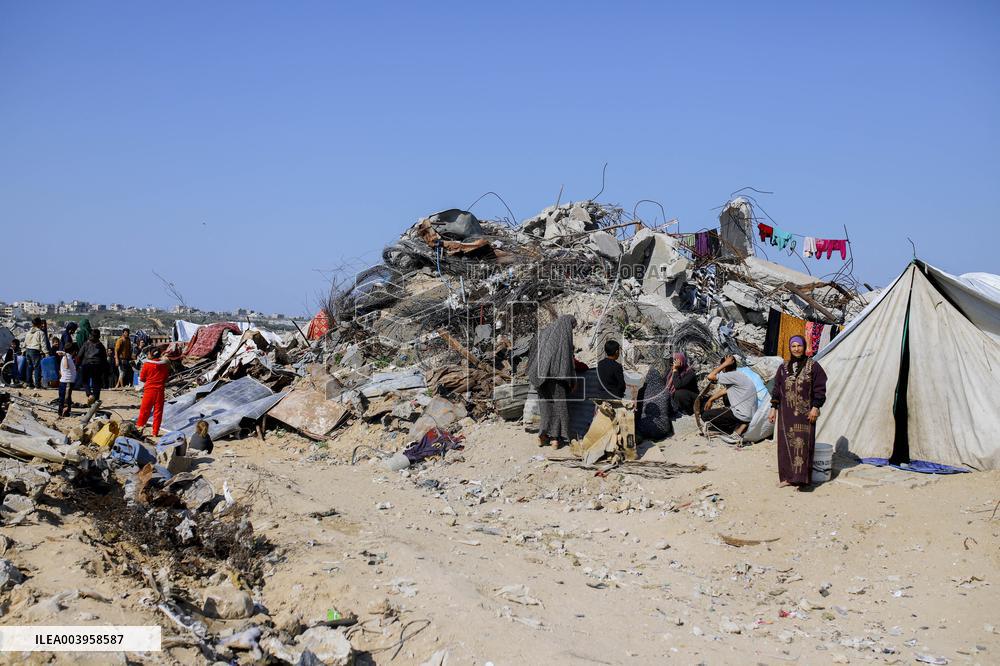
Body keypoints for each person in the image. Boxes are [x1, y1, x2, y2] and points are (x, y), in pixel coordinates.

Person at [769, 335, 828, 489]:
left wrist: (816, 407)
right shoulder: (783, 367)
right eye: (793, 346)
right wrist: (773, 408)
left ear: (804, 346)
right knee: (785, 445)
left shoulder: (813, 366)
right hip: (785, 414)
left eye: (799, 346)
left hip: (805, 414)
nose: (796, 349)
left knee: (802, 445)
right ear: (790, 347)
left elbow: (820, 388)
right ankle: (788, 478)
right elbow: (777, 389)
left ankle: (801, 480)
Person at [527, 315, 576, 449]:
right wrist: (572, 379)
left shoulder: (545, 333)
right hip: (556, 376)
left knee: (546, 406)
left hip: (539, 375)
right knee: (560, 407)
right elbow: (567, 360)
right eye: (572, 327)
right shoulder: (563, 336)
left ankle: (542, 436)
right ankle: (556, 439)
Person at [699, 355, 756, 443]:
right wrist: (711, 399)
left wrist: (725, 364)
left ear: (725, 367)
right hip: (749, 414)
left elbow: (710, 376)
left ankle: (733, 428)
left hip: (742, 415)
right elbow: (725, 390)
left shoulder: (731, 375)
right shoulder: (739, 375)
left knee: (705, 416)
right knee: (726, 397)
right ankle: (739, 424)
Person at [636, 355, 675, 440]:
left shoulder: (642, 391)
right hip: (662, 429)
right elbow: (674, 409)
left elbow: (637, 408)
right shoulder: (665, 391)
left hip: (643, 428)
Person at [137, 348, 171, 437]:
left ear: (151, 355)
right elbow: (166, 379)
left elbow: (142, 378)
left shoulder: (147, 364)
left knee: (144, 411)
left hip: (149, 391)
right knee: (158, 412)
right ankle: (155, 432)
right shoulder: (164, 365)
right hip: (160, 391)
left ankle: (139, 429)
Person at [78, 329, 108, 405]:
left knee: (85, 381)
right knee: (97, 384)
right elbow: (104, 358)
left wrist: (77, 365)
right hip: (98, 366)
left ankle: (89, 394)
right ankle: (96, 401)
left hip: (86, 364)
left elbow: (79, 355)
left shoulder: (86, 344)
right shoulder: (101, 346)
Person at [23, 318, 49, 389]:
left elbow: (25, 343)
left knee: (29, 367)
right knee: (37, 368)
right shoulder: (41, 333)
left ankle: (29, 384)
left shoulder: (28, 332)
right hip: (35, 351)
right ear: (39, 324)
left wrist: (23, 350)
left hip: (27, 350)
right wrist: (46, 353)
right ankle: (37, 385)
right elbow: (43, 344)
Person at [57, 343, 78, 416]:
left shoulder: (68, 356)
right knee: (65, 398)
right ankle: (63, 413)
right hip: (66, 381)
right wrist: (65, 355)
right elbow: (66, 366)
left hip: (68, 381)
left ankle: (64, 412)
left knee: (66, 397)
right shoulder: (66, 357)